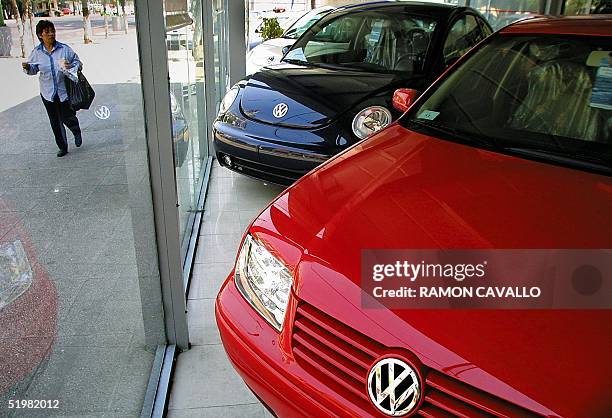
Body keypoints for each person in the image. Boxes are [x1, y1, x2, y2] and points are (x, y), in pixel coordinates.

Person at [22, 20, 83, 157]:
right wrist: (27, 68)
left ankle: (76, 130)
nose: (51, 34)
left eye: (52, 31)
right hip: (47, 92)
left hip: (64, 91)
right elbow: (33, 69)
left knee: (68, 117)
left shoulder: (64, 49)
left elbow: (78, 62)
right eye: (47, 32)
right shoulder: (37, 53)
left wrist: (71, 66)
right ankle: (62, 146)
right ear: (40, 35)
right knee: (55, 121)